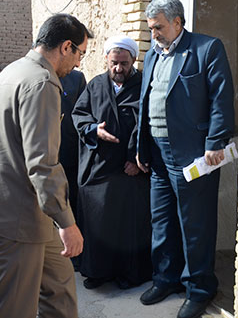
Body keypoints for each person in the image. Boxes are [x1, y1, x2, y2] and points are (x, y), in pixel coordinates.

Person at [0, 13, 93, 318]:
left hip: (31, 209)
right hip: (20, 214)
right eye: (80, 53)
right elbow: (42, 164)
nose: (78, 63)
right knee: (13, 306)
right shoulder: (42, 82)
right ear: (66, 47)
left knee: (60, 286)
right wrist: (67, 223)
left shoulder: (15, 69)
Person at [136, 0, 235, 318]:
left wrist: (215, 141)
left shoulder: (206, 49)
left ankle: (200, 289)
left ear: (178, 22)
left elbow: (221, 98)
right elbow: (145, 101)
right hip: (157, 152)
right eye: (151, 28)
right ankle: (166, 279)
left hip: (192, 153)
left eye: (159, 27)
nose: (154, 34)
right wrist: (140, 146)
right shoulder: (153, 54)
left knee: (195, 224)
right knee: (162, 221)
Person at [71, 36, 152, 290]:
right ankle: (97, 271)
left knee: (128, 224)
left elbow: (149, 125)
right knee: (97, 220)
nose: (118, 68)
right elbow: (79, 114)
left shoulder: (143, 86)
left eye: (124, 64)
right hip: (99, 166)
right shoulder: (95, 85)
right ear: (107, 59)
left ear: (134, 60)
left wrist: (137, 159)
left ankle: (128, 275)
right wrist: (94, 130)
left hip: (130, 170)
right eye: (114, 62)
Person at [58, 68, 86, 270]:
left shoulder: (76, 79)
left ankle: (74, 252)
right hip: (41, 156)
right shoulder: (35, 77)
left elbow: (83, 113)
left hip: (69, 153)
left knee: (71, 202)